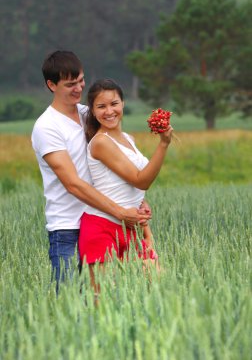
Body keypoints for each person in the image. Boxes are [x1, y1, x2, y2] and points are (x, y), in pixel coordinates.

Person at [31, 51, 150, 292]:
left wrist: (138, 200)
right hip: (68, 228)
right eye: (70, 84)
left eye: (81, 80)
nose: (78, 88)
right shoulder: (46, 127)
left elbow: (116, 160)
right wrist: (120, 212)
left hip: (102, 222)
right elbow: (73, 184)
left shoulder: (90, 113)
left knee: (109, 303)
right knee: (70, 304)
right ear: (51, 85)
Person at [78, 78, 173, 296]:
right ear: (92, 111)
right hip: (102, 228)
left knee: (159, 294)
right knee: (104, 306)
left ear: (123, 104)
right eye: (101, 106)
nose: (109, 111)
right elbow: (141, 180)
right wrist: (164, 143)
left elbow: (135, 189)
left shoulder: (128, 138)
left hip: (132, 227)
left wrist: (146, 226)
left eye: (114, 104)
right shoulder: (101, 142)